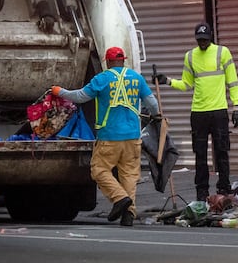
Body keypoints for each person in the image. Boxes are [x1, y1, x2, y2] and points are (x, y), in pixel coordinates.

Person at [52, 46, 159, 227]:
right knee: (129, 176)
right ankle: (128, 215)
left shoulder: (102, 79)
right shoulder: (136, 78)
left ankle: (120, 198)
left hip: (110, 137)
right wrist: (155, 116)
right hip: (133, 137)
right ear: (123, 60)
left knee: (99, 170)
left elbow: (79, 97)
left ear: (107, 62)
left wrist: (59, 91)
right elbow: (153, 104)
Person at [155, 22, 238, 201]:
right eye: (199, 40)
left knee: (222, 152)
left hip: (219, 111)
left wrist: (237, 106)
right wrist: (168, 81)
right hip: (198, 113)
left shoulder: (222, 52)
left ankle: (224, 188)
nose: (202, 43)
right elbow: (187, 84)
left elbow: (232, 81)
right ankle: (201, 192)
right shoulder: (190, 56)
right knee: (200, 155)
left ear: (210, 38)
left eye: (205, 40)